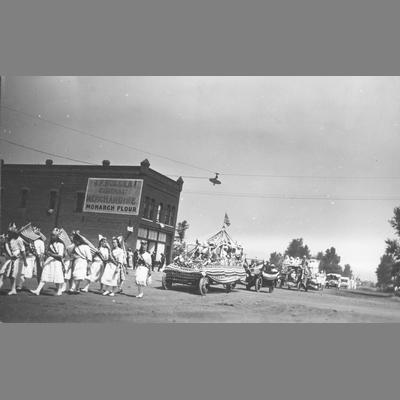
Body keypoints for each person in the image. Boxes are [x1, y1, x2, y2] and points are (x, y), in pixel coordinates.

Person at [30, 227, 65, 296]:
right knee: (44, 275)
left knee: (57, 277)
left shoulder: (60, 244)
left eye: (54, 235)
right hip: (50, 261)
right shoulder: (51, 244)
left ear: (57, 236)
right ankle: (38, 290)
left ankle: (59, 291)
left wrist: (51, 254)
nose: (52, 237)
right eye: (51, 235)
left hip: (57, 262)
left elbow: (60, 256)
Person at [0, 223, 28, 295]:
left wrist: (25, 261)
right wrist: (10, 254)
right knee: (4, 273)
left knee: (10, 274)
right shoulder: (7, 238)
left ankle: (13, 289)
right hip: (10, 258)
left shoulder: (19, 240)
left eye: (15, 228)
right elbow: (6, 246)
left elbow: (23, 251)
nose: (14, 229)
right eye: (13, 228)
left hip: (15, 260)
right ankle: (13, 289)